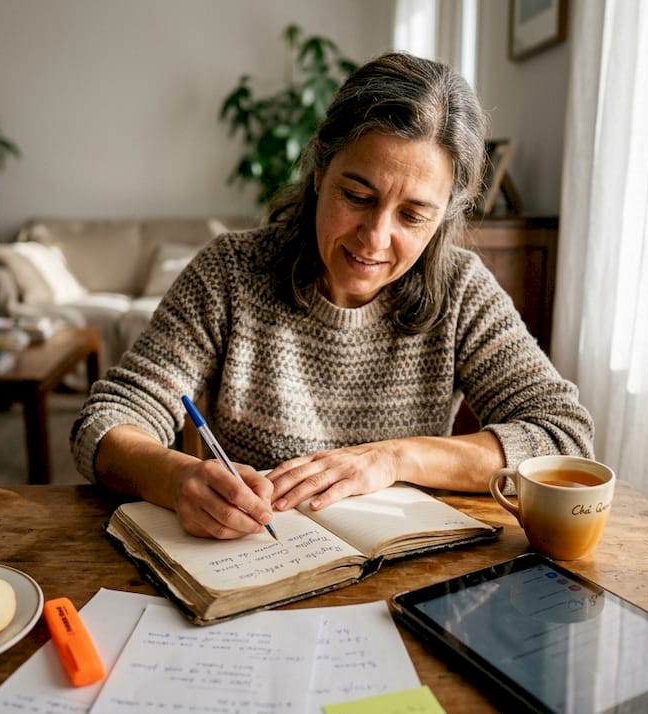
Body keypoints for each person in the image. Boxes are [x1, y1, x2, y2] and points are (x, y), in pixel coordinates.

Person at [72, 51, 593, 539]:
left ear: (444, 217)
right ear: (320, 169)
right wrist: (176, 477)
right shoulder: (230, 272)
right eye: (356, 196)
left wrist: (392, 458)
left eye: (412, 215)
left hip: (403, 570)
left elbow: (563, 437)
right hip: (259, 561)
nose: (375, 237)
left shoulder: (461, 289)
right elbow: (107, 421)